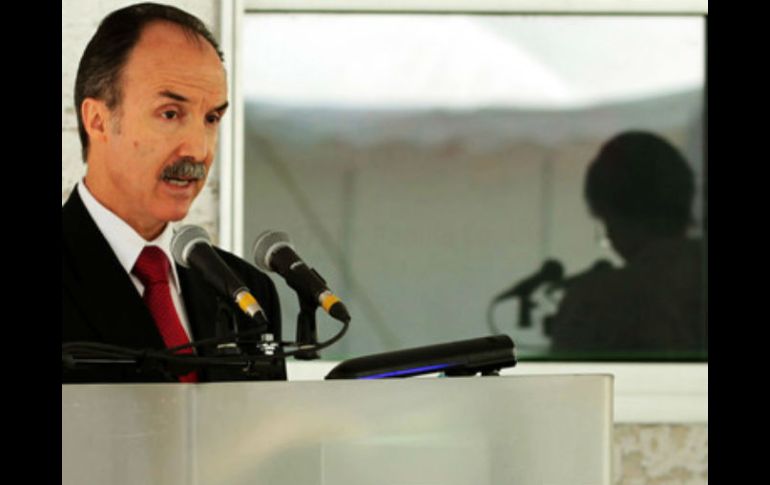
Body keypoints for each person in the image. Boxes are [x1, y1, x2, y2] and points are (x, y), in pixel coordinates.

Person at [62, 3, 284, 382]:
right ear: (98, 121)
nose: (198, 149)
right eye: (170, 114)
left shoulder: (250, 294)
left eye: (211, 118)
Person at [548, 131, 706, 358]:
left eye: (604, 220)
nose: (609, 238)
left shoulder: (598, 301)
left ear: (614, 214)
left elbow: (569, 376)